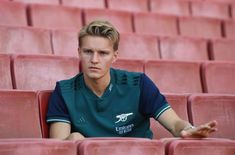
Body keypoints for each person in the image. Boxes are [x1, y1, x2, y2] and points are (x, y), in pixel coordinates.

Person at [46, 20, 217, 140]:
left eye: (103, 53)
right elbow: (60, 149)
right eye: (88, 51)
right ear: (79, 52)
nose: (94, 59)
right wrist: (73, 140)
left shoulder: (139, 84)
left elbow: (175, 124)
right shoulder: (64, 91)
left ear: (115, 56)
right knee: (74, 138)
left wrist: (188, 130)